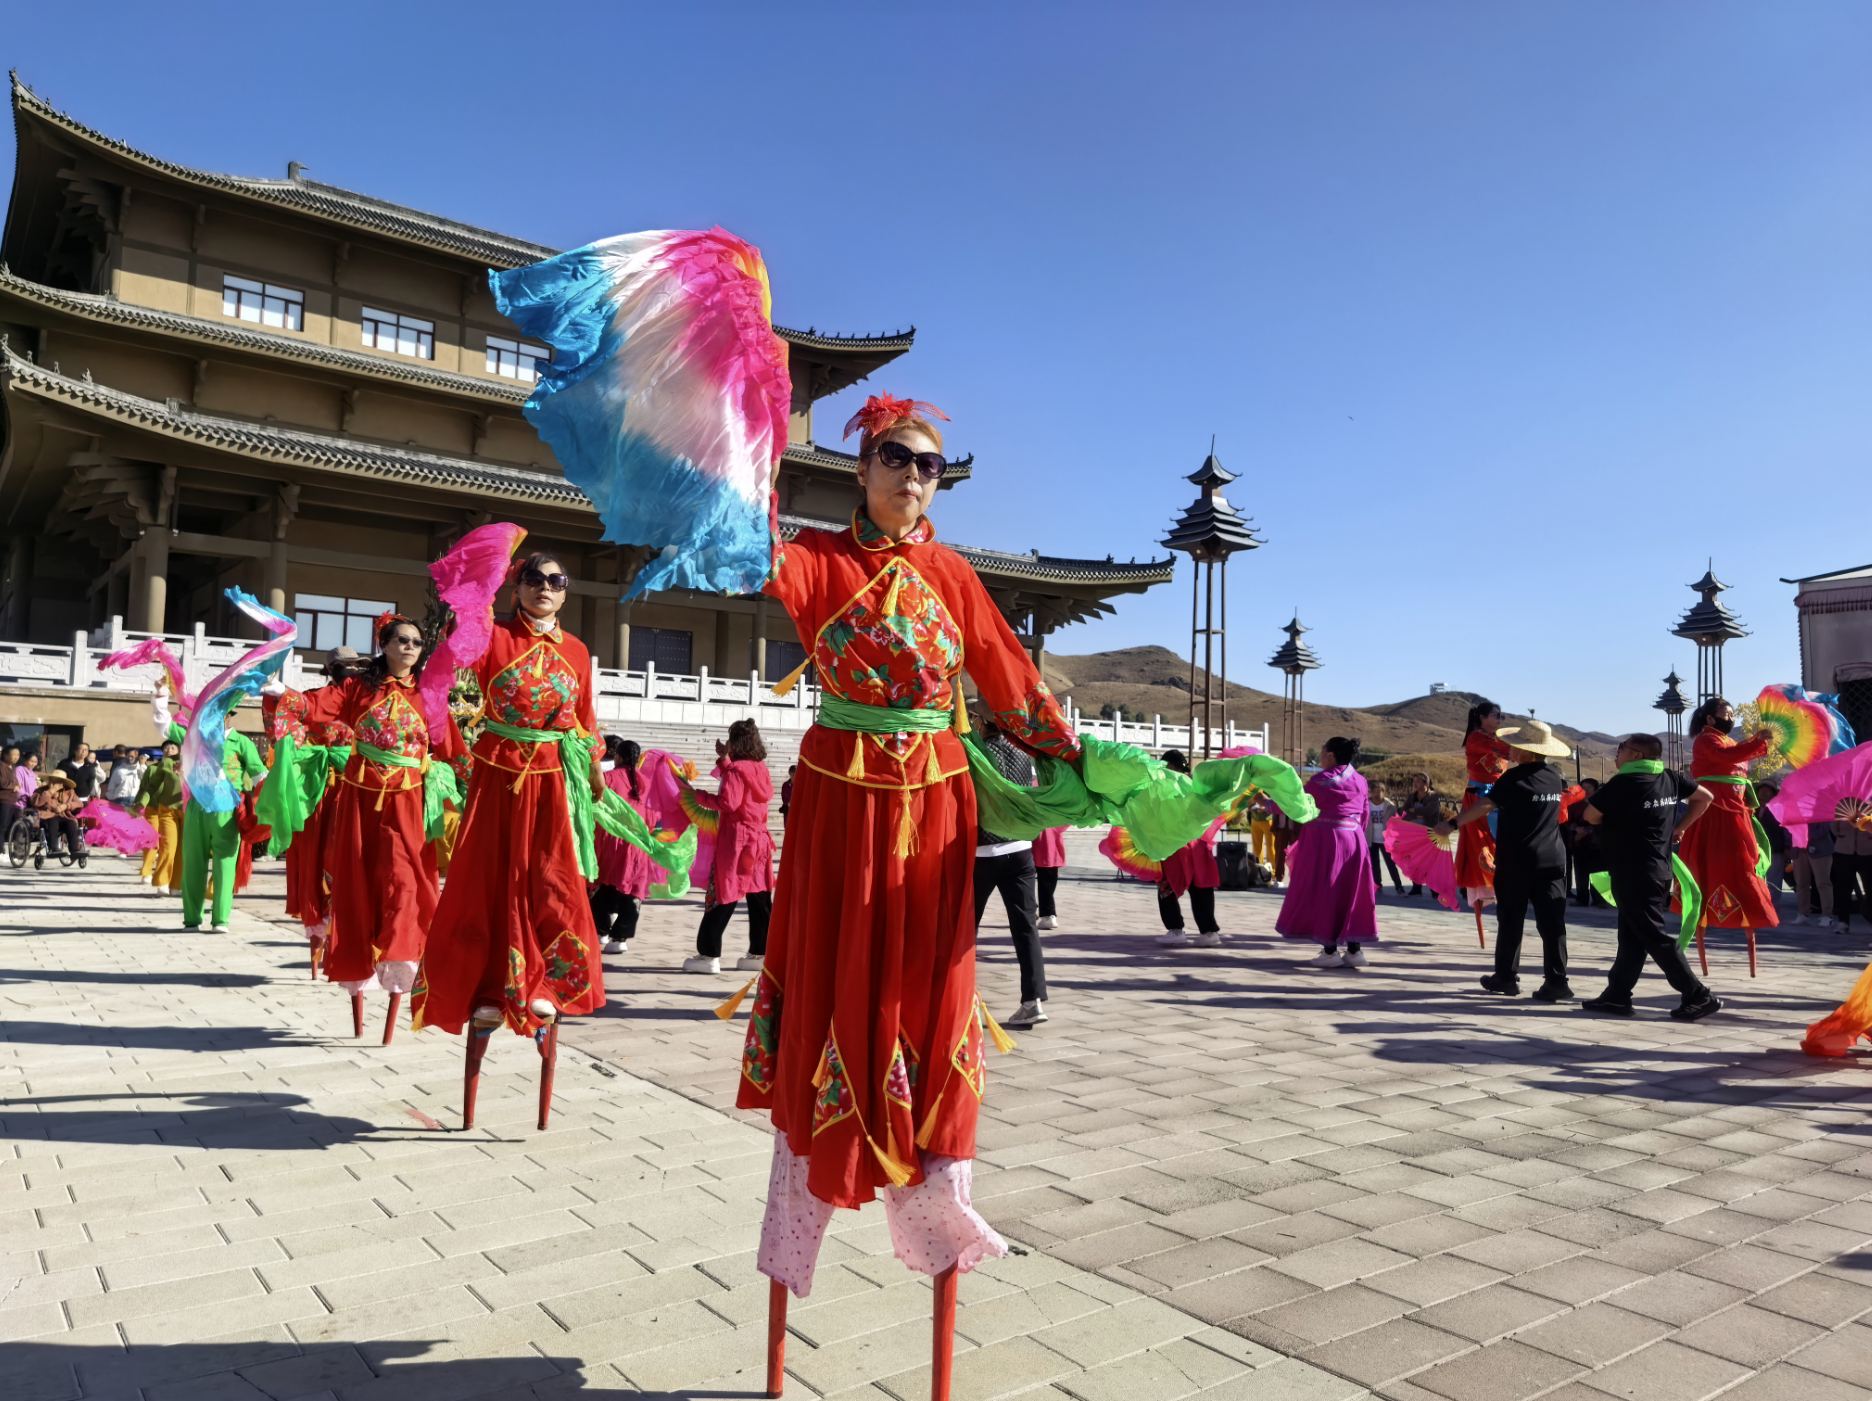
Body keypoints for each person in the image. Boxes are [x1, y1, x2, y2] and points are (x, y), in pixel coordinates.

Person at [414, 552, 608, 1044]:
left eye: (556, 580)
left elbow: (585, 717)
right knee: (489, 875)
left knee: (551, 876)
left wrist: (594, 766)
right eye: (533, 578)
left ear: (565, 593)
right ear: (517, 588)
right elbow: (454, 658)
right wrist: (477, 598)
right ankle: (486, 987)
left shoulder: (577, 650)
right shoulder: (493, 635)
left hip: (554, 778)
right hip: (498, 774)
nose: (545, 587)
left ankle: (544, 982)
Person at [269, 615, 465, 1016]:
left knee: (404, 880)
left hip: (409, 800)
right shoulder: (357, 688)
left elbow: (451, 746)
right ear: (384, 644)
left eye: (416, 642)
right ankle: (358, 965)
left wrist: (478, 782)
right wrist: (280, 693)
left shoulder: (429, 693)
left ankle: (401, 957)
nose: (410, 647)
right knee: (359, 881)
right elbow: (315, 707)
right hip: (361, 799)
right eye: (402, 640)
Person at [1579, 733, 1720, 1019]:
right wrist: (1680, 827)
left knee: (1654, 936)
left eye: (1621, 748)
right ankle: (1617, 996)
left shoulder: (1623, 782)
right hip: (1658, 869)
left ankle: (1697, 995)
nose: (1617, 752)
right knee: (1632, 936)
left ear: (1636, 755)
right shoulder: (1669, 777)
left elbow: (1590, 816)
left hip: (1633, 871)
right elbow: (1705, 797)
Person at [1441, 719, 1575, 1001]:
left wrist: (1453, 823)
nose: (1509, 750)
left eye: (1514, 746)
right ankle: (1557, 982)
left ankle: (1506, 978)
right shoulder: (1554, 776)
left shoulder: (1513, 778)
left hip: (1518, 860)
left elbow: (1484, 805)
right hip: (1553, 859)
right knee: (1552, 923)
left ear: (1526, 751)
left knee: (1511, 919)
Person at [262, 645, 364, 941]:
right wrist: (274, 695)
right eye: (346, 666)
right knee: (321, 854)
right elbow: (285, 731)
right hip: (322, 790)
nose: (353, 671)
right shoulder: (314, 699)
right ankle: (321, 921)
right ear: (331, 669)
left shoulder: (368, 701)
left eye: (357, 666)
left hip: (361, 787)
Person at [153, 686, 265, 931]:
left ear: (228, 716)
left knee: (225, 864)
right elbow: (165, 726)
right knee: (193, 863)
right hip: (197, 806)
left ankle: (220, 920)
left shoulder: (241, 742)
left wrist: (268, 803)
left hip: (228, 810)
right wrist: (161, 695)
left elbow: (260, 776)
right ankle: (192, 919)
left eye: (217, 714)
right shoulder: (194, 737)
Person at [1674, 698, 1778, 950]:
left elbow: (1737, 751)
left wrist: (1757, 740)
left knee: (1744, 862)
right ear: (1710, 719)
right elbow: (1727, 756)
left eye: (1732, 715)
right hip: (1715, 811)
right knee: (1713, 864)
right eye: (1726, 714)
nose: (1731, 718)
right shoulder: (1706, 741)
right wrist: (1756, 742)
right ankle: (1702, 918)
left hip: (1736, 810)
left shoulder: (1728, 741)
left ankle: (1749, 912)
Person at [971, 716, 1050, 1025]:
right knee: (1026, 927)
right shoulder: (1022, 752)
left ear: (983, 722)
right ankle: (1033, 1001)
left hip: (983, 851)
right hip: (1020, 849)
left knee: (966, 930)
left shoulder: (976, 751)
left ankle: (962, 1001)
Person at [682, 718, 777, 975]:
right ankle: (759, 953)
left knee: (723, 893)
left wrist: (699, 796)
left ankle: (708, 954)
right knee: (759, 897)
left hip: (737, 841)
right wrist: (725, 760)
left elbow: (729, 803)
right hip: (759, 840)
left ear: (736, 742)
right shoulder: (760, 768)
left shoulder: (735, 771)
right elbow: (744, 783)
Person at [1278, 736, 1377, 967]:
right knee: (1352, 893)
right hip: (1355, 840)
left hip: (1327, 841)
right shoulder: (1360, 780)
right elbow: (1364, 816)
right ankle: (1354, 951)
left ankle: (1330, 952)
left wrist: (1267, 803)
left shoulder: (1321, 781)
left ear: (1330, 755)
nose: (1321, 756)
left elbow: (1298, 805)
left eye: (1322, 752)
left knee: (1326, 891)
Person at [591, 736, 653, 955]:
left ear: (617, 756)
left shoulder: (608, 777)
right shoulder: (645, 781)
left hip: (611, 840)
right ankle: (620, 937)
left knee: (601, 884)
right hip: (637, 841)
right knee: (632, 888)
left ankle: (601, 931)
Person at [1156, 750, 1223, 949]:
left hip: (1175, 844)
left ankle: (1175, 930)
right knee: (1201, 886)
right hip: (1199, 842)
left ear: (1169, 766)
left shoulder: (1166, 785)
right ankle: (1209, 932)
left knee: (1166, 885)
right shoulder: (1196, 784)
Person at [1458, 700, 1514, 911]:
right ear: (1482, 717)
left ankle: (1502, 884)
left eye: (1502, 715)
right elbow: (1505, 751)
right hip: (1480, 797)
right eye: (1496, 715)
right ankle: (1484, 886)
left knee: (1502, 842)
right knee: (1483, 843)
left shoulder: (1497, 737)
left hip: (1500, 795)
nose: (1500, 719)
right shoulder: (1476, 737)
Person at [135, 737, 186, 891]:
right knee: (167, 846)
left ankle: (176, 885)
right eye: (166, 748)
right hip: (166, 810)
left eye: (173, 748)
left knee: (182, 850)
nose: (169, 750)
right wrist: (141, 802)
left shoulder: (198, 763)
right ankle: (162, 881)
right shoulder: (164, 764)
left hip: (188, 811)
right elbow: (150, 786)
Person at [31, 770, 86, 864]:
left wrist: (66, 806)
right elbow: (36, 802)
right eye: (54, 780)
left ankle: (74, 850)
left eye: (59, 781)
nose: (56, 783)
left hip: (64, 816)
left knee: (71, 823)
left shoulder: (69, 792)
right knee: (53, 820)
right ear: (50, 780)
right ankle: (54, 848)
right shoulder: (41, 791)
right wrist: (50, 792)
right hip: (47, 817)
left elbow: (79, 803)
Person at [1792, 820, 1836, 929]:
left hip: (1820, 850)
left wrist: (1805, 836)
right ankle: (1803, 914)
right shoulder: (1794, 811)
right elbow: (1786, 826)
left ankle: (1827, 915)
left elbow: (1825, 828)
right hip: (1799, 849)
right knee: (1801, 884)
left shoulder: (1821, 811)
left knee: (1823, 883)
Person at [1833, 811, 1872, 934]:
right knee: (1843, 889)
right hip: (1844, 850)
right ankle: (1843, 921)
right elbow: (1834, 828)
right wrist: (1844, 837)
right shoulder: (1842, 806)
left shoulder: (1869, 806)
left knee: (1870, 888)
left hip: (1868, 851)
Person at [1568, 778, 1605, 906]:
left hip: (1596, 844)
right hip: (1579, 843)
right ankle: (1581, 898)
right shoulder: (1575, 805)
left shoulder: (1600, 805)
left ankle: (1599, 900)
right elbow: (1568, 821)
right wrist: (1576, 829)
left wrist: (1587, 830)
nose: (1586, 790)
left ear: (1595, 790)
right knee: (1580, 872)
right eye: (1583, 787)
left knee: (1598, 872)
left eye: (1589, 787)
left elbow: (1603, 822)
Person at [1755, 780, 1792, 901]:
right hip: (1755, 850)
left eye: (1767, 791)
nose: (1764, 793)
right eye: (1762, 790)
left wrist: (1787, 846)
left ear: (1773, 794)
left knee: (1774, 881)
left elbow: (1786, 829)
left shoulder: (1779, 809)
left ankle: (1773, 906)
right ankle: (1759, 905)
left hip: (1775, 850)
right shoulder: (1752, 809)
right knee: (1756, 880)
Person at [1367, 780, 1404, 896]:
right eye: (1373, 791)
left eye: (1379, 792)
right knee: (1374, 864)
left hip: (1386, 840)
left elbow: (1397, 822)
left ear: (1384, 793)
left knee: (1390, 864)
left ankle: (1399, 886)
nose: (1376, 794)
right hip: (1371, 839)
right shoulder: (1366, 804)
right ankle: (1377, 885)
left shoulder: (1390, 806)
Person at [1033, 824, 1067, 931]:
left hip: (1028, 841)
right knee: (1047, 883)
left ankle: (1030, 911)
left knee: (1022, 881)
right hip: (1050, 843)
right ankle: (1048, 915)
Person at [0, 744, 21, 847]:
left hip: (13, 801)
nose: (17, 757)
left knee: (15, 825)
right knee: (2, 826)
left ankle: (14, 849)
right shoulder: (1, 766)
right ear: (5, 755)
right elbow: (2, 783)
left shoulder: (12, 767)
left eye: (18, 755)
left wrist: (17, 785)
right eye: (14, 754)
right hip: (4, 800)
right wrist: (15, 786)